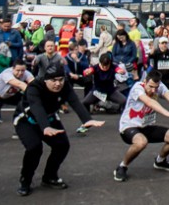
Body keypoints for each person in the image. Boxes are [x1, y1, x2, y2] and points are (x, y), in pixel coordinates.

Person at [13, 61, 104, 196]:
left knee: (62, 146)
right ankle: (25, 180)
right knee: (34, 148)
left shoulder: (65, 86)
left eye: (61, 80)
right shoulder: (34, 87)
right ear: (45, 80)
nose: (58, 84)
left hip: (49, 118)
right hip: (26, 120)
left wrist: (87, 120)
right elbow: (37, 107)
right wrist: (45, 127)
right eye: (53, 80)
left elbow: (75, 102)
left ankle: (49, 176)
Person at [113, 70, 169, 182]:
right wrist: (168, 114)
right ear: (145, 82)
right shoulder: (138, 88)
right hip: (129, 127)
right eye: (150, 87)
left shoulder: (159, 86)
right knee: (141, 142)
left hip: (146, 126)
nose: (153, 90)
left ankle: (160, 161)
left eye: (156, 87)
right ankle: (122, 166)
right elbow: (150, 102)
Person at [0, 60, 34, 146]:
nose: (20, 73)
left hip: (7, 95)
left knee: (25, 102)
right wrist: (33, 93)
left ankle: (18, 129)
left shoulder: (26, 73)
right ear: (12, 69)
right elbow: (19, 84)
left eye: (22, 70)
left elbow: (33, 83)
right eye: (18, 70)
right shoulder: (7, 73)